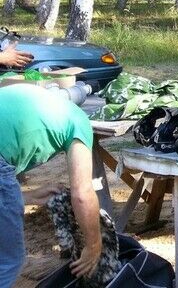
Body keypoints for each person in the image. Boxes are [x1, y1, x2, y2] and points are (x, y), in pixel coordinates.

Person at [0, 84, 102, 286]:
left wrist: (25, 197)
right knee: (8, 261)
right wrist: (94, 245)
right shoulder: (79, 122)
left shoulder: (38, 97)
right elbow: (82, 193)